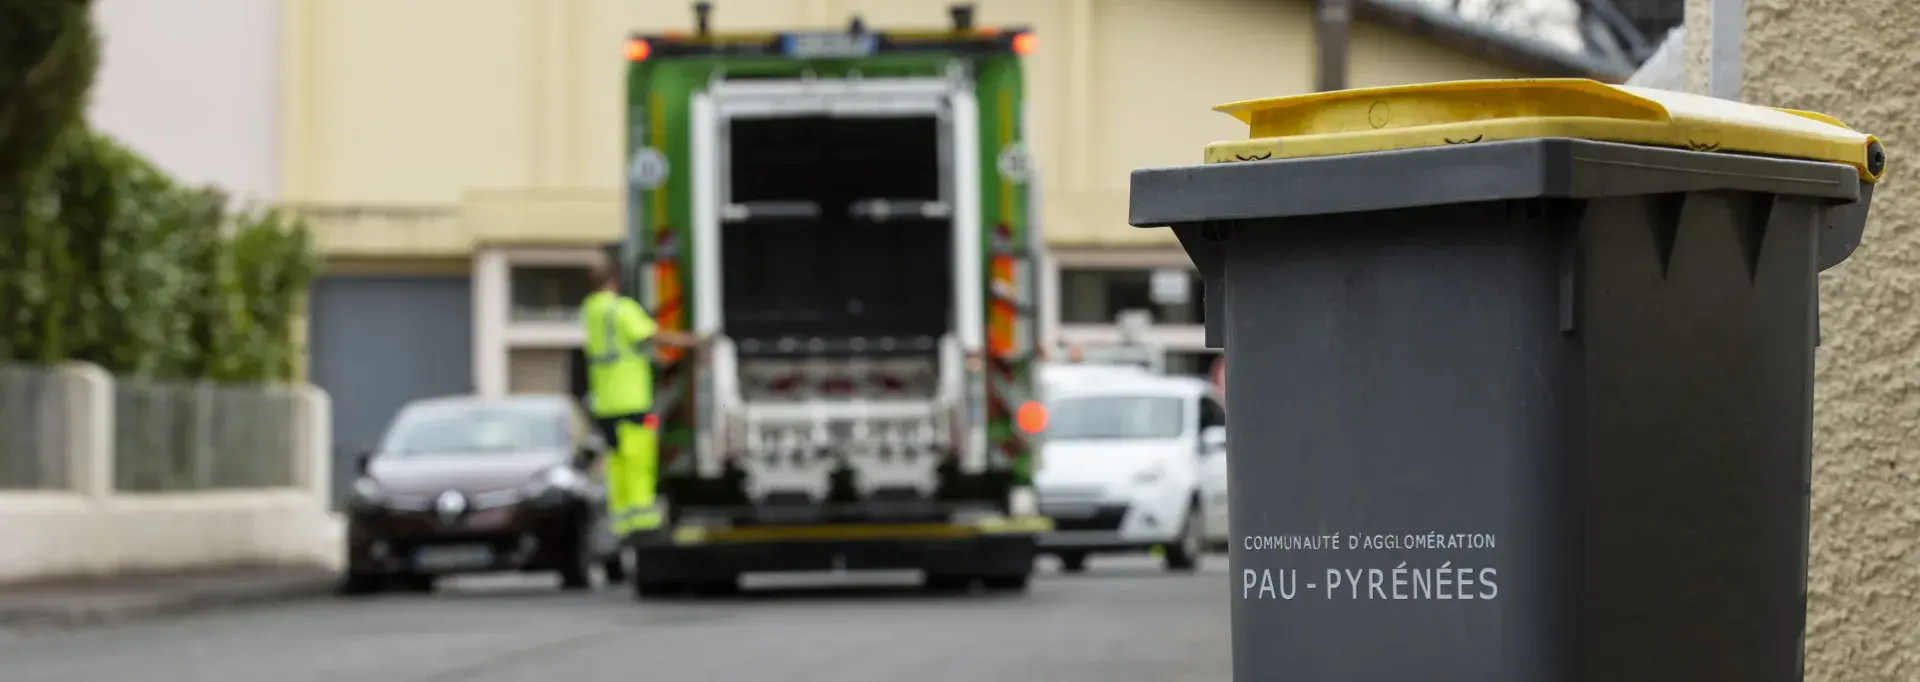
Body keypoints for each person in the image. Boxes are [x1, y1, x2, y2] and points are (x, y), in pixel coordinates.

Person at [580, 254, 704, 537]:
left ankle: (623, 522)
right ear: (616, 278)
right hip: (630, 399)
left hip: (605, 402)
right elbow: (654, 335)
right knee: (639, 460)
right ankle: (642, 522)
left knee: (618, 463)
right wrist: (695, 341)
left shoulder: (590, 310)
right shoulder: (621, 309)